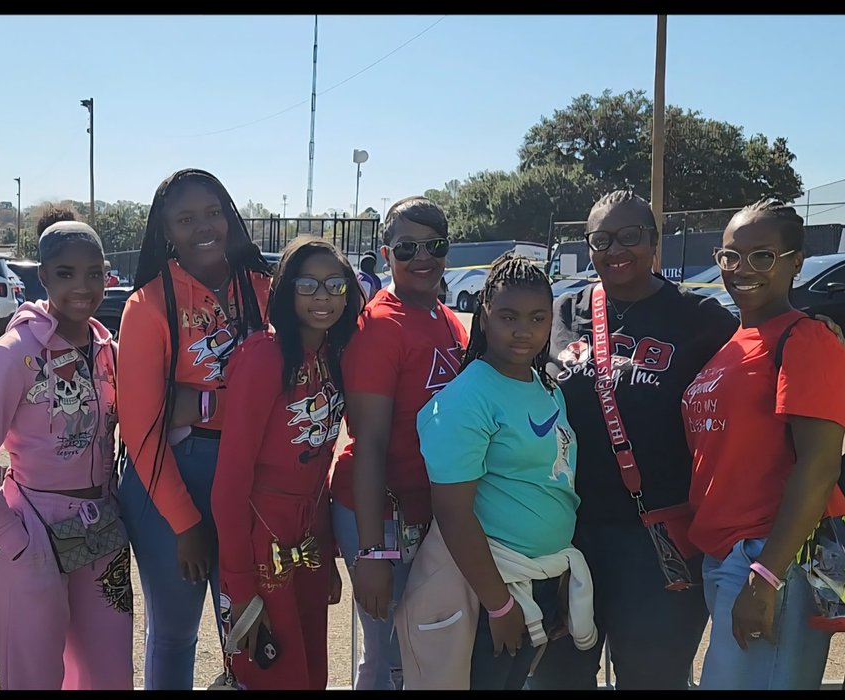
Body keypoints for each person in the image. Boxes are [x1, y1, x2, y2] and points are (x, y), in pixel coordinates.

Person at [531, 190, 740, 690]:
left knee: (653, 677)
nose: (615, 250)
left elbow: (762, 358)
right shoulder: (561, 313)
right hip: (565, 535)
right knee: (556, 676)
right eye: (601, 239)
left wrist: (812, 331)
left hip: (657, 539)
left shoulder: (700, 319)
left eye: (629, 236)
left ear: (654, 241)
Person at [0, 221, 132, 690]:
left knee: (109, 674)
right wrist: (12, 538)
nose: (83, 287)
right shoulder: (9, 354)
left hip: (103, 529)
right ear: (44, 277)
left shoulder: (108, 349)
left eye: (95, 274)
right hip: (33, 529)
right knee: (34, 675)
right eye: (67, 273)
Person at [402, 253, 593, 690]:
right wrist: (501, 606)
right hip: (488, 590)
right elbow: (453, 513)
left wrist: (557, 574)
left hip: (539, 580)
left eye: (537, 317)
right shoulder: (466, 399)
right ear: (483, 316)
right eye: (507, 316)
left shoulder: (547, 389)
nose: (523, 330)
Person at [116, 168, 274, 690]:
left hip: (249, 473)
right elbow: (141, 426)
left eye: (213, 212)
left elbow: (290, 382)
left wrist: (199, 400)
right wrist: (185, 525)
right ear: (165, 231)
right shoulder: (147, 305)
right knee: (176, 633)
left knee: (249, 621)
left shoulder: (262, 290)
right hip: (173, 478)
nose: (203, 227)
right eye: (185, 219)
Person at [682, 200, 845, 690]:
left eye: (762, 256)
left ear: (796, 261)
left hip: (770, 557)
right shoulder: (738, 339)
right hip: (725, 553)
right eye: (730, 257)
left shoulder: (806, 340)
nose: (742, 270)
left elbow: (819, 467)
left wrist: (767, 575)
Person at [329, 196, 468, 690]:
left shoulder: (446, 319)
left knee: (419, 647)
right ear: (385, 255)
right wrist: (371, 553)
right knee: (388, 657)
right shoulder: (379, 326)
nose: (422, 258)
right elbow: (367, 443)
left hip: (425, 512)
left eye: (435, 245)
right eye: (407, 248)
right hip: (380, 515)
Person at [211, 237, 360, 689]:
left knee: (313, 672)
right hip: (261, 538)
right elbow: (230, 485)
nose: (323, 297)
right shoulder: (262, 356)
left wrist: (328, 555)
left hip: (309, 539)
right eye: (308, 284)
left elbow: (318, 471)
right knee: (273, 675)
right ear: (285, 290)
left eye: (335, 285)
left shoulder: (334, 358)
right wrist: (239, 589)